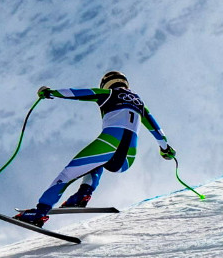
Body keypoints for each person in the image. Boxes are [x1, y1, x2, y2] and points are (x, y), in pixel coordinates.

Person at [16, 71, 174, 227]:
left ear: (106, 84)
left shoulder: (108, 93)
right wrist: (165, 149)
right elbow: (156, 129)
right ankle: (82, 195)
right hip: (127, 159)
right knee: (97, 163)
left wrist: (50, 92)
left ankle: (39, 212)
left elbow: (77, 93)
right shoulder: (140, 104)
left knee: (67, 175)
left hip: (108, 144)